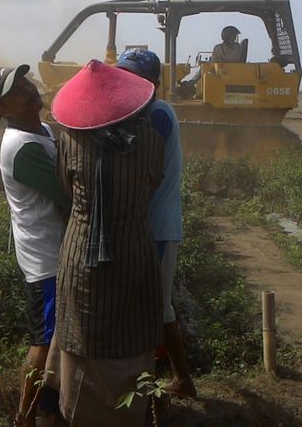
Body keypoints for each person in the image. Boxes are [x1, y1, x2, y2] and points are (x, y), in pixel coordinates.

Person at [47, 60, 164, 426]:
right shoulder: (151, 139)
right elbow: (153, 184)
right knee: (133, 332)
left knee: (83, 337)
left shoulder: (69, 139)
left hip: (82, 251)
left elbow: (65, 188)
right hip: (134, 246)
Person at [0, 65, 70, 426]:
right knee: (44, 342)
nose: (29, 89)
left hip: (55, 251)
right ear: (2, 110)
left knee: (57, 338)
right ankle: (25, 416)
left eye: (26, 82)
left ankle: (49, 410)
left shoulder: (44, 130)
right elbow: (65, 195)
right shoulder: (21, 147)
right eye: (17, 90)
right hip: (46, 258)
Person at [116, 49, 197, 399]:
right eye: (124, 75)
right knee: (144, 304)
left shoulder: (158, 114)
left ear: (153, 85)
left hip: (157, 227)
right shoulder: (137, 113)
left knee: (157, 306)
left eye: (137, 78)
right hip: (141, 225)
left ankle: (179, 380)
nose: (128, 83)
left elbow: (145, 174)